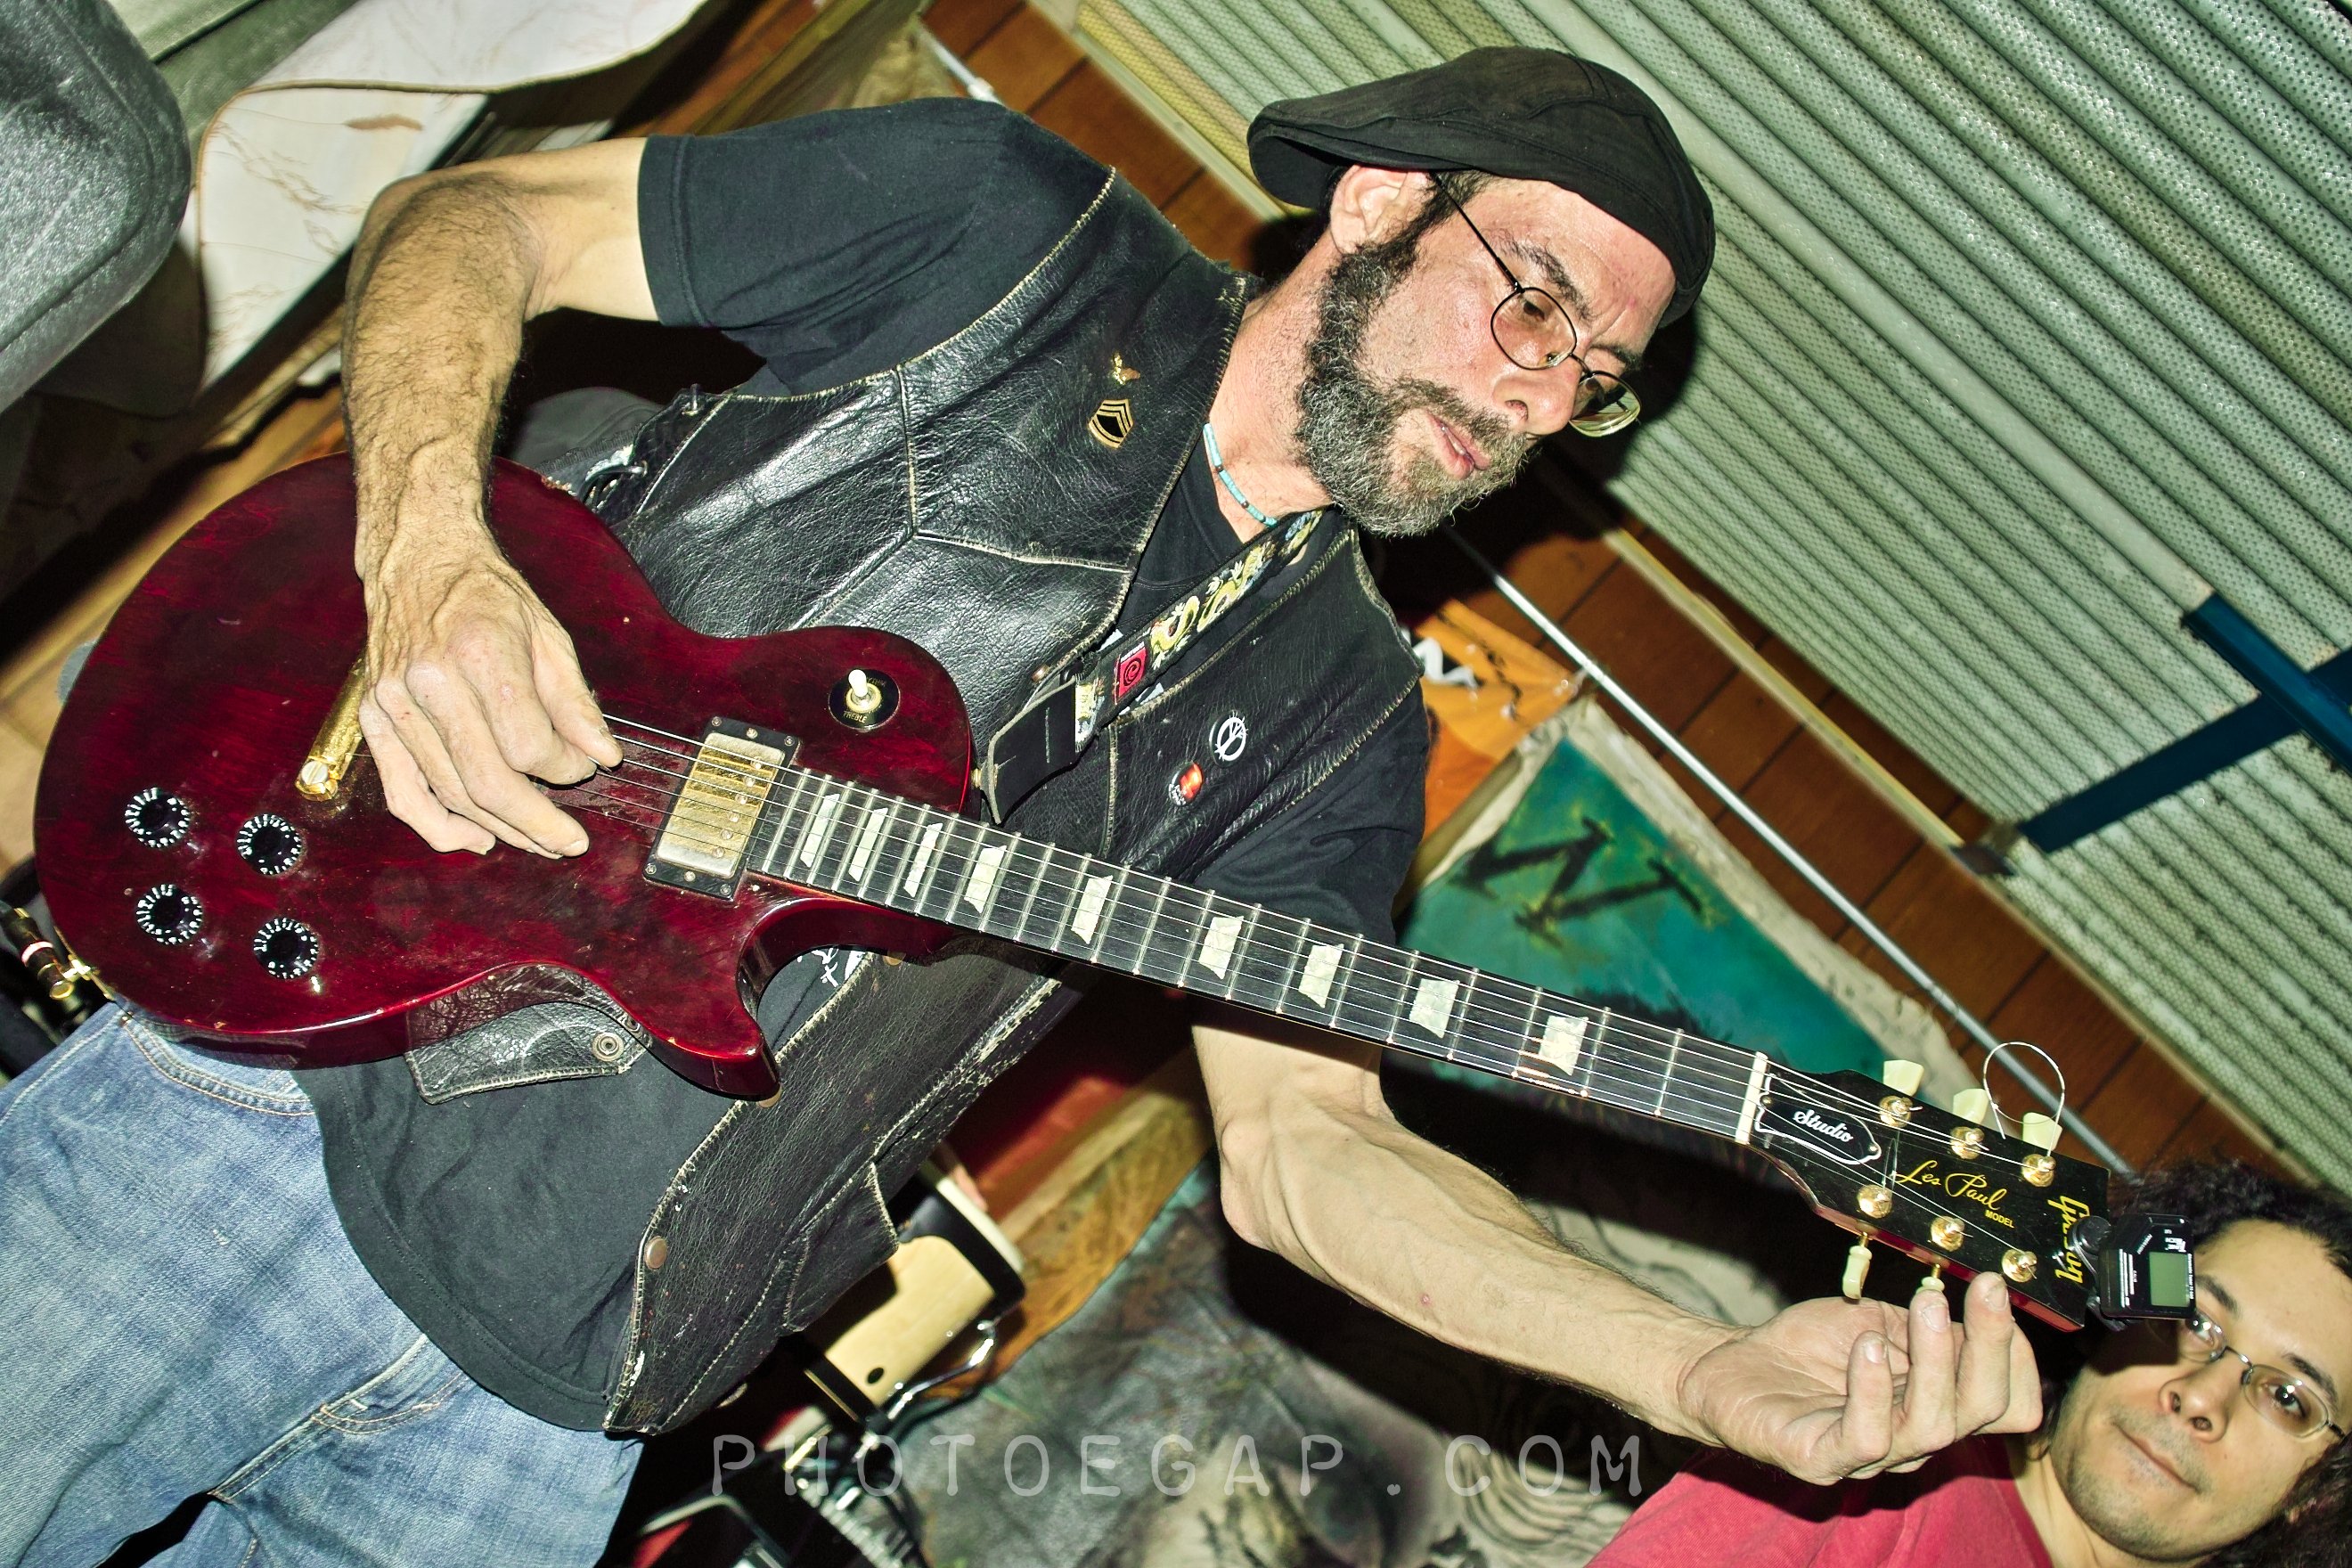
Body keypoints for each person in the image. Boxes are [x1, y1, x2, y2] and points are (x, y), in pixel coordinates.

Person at [0, 48, 2042, 1565]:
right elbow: (476, 220)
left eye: (1594, 375)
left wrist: (1685, 1368)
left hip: (559, 1410)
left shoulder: (1342, 715)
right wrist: (431, 555)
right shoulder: (1007, 231)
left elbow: (1312, 1155)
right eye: (1533, 301)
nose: (1537, 391)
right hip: (281, 1111)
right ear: (1376, 204)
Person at [1590, 1159, 2352, 1568]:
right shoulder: (1867, 1455)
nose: (2202, 1397)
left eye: (2289, 1398)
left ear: (2321, 1496)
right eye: (2193, 1319)